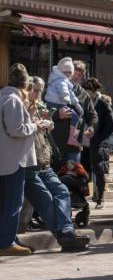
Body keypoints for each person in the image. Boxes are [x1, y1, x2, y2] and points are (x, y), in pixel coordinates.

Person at [24, 76, 91, 252]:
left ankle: (67, 230)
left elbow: (49, 130)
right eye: (35, 90)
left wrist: (50, 121)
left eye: (40, 90)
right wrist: (34, 121)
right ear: (27, 88)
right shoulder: (21, 106)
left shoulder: (40, 107)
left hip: (44, 161)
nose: (37, 94)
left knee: (62, 191)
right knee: (45, 199)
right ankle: (65, 236)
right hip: (29, 164)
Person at [0, 64, 43, 256]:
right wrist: (35, 125)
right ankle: (6, 243)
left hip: (5, 157)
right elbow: (16, 129)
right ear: (24, 86)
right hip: (14, 159)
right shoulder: (13, 100)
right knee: (13, 201)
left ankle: (7, 238)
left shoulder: (3, 97)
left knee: (5, 202)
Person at [50, 60, 97, 171]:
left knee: (72, 178)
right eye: (75, 73)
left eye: (80, 75)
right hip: (55, 144)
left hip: (74, 147)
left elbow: (92, 115)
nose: (77, 77)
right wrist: (56, 114)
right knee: (55, 177)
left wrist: (91, 127)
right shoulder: (54, 88)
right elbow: (41, 109)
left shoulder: (83, 94)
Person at [81, 78, 113, 209]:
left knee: (99, 170)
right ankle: (83, 199)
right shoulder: (84, 102)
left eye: (88, 91)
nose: (86, 94)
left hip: (99, 142)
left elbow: (111, 124)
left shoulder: (103, 103)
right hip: (85, 141)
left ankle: (100, 198)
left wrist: (100, 138)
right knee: (84, 171)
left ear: (94, 92)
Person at [44, 57, 83, 147]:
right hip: (57, 140)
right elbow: (64, 90)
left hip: (73, 147)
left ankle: (73, 138)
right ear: (61, 72)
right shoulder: (60, 81)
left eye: (71, 72)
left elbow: (71, 94)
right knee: (75, 116)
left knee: (76, 116)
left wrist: (76, 104)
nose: (70, 75)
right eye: (67, 72)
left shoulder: (82, 92)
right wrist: (66, 99)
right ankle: (72, 138)